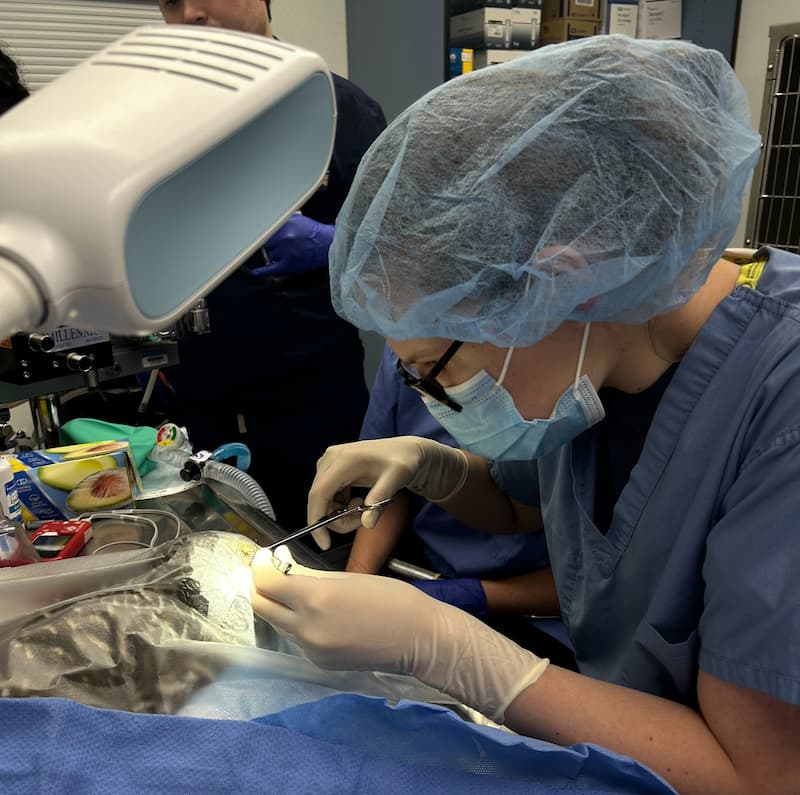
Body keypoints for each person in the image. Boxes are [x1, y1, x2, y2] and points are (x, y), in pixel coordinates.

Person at [251, 36, 800, 794]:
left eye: (435, 374)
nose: (435, 400)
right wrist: (428, 463)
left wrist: (449, 647)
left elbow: (760, 776)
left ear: (555, 286)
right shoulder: (600, 354)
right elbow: (516, 503)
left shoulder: (781, 404)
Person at [155, 0, 387, 530]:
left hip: (313, 398)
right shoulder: (156, 114)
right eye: (170, 1)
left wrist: (332, 243)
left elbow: (404, 250)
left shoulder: (342, 110)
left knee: (331, 544)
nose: (189, 14)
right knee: (220, 552)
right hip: (199, 398)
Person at [348, 343, 576, 663]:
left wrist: (475, 595)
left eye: (436, 365)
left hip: (546, 620)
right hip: (429, 576)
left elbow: (593, 580)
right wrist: (356, 585)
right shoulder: (409, 349)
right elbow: (388, 490)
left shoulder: (558, 381)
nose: (429, 382)